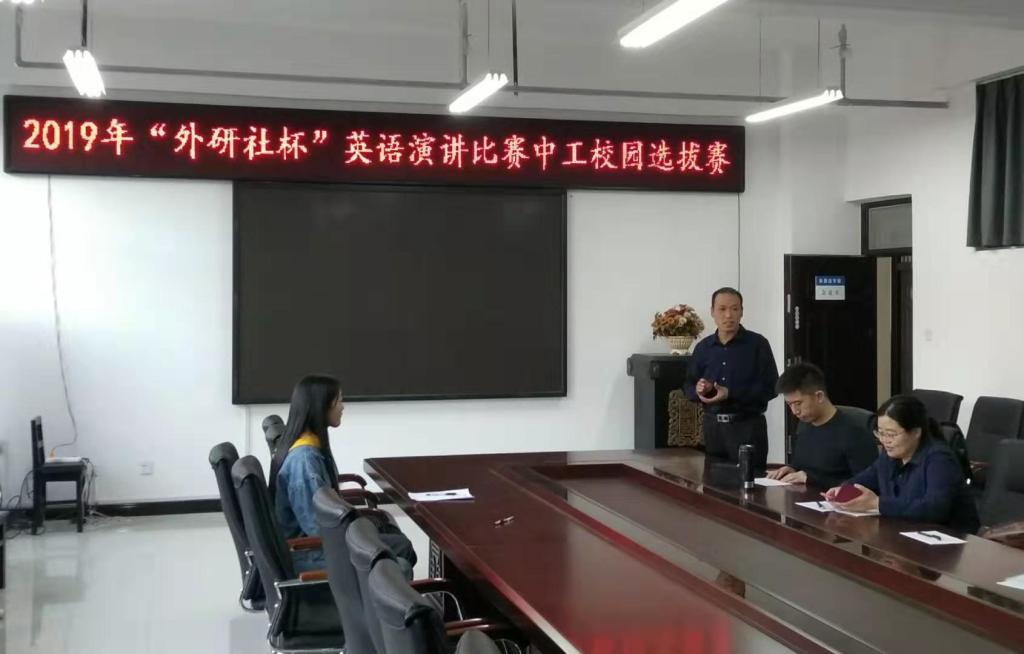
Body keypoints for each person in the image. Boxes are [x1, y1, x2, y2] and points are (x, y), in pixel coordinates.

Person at [269, 374, 418, 573]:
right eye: (339, 401)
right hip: (308, 552)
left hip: (318, 544)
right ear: (322, 406)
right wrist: (360, 533)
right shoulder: (304, 460)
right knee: (401, 548)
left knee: (395, 540)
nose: (342, 407)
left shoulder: (309, 448)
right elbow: (316, 526)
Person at [826, 395, 980, 534]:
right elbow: (865, 479)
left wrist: (877, 503)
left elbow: (935, 509)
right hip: (904, 532)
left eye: (891, 434)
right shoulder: (889, 456)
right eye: (880, 433)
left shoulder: (939, 459)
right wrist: (843, 490)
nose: (885, 440)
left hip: (948, 540)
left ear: (916, 432)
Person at [685, 287, 779, 473]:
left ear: (742, 311)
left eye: (735, 309)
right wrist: (699, 390)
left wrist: (731, 393)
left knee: (750, 482)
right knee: (713, 483)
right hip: (713, 428)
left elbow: (771, 387)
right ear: (712, 312)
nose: (728, 315)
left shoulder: (758, 344)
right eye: (722, 309)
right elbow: (688, 384)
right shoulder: (703, 347)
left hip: (748, 427)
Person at [767, 362, 878, 488]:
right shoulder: (804, 424)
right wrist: (791, 469)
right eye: (789, 404)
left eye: (798, 403)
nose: (794, 411)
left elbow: (867, 484)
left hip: (835, 499)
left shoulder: (855, 430)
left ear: (819, 396)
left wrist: (812, 479)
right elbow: (804, 467)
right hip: (803, 496)